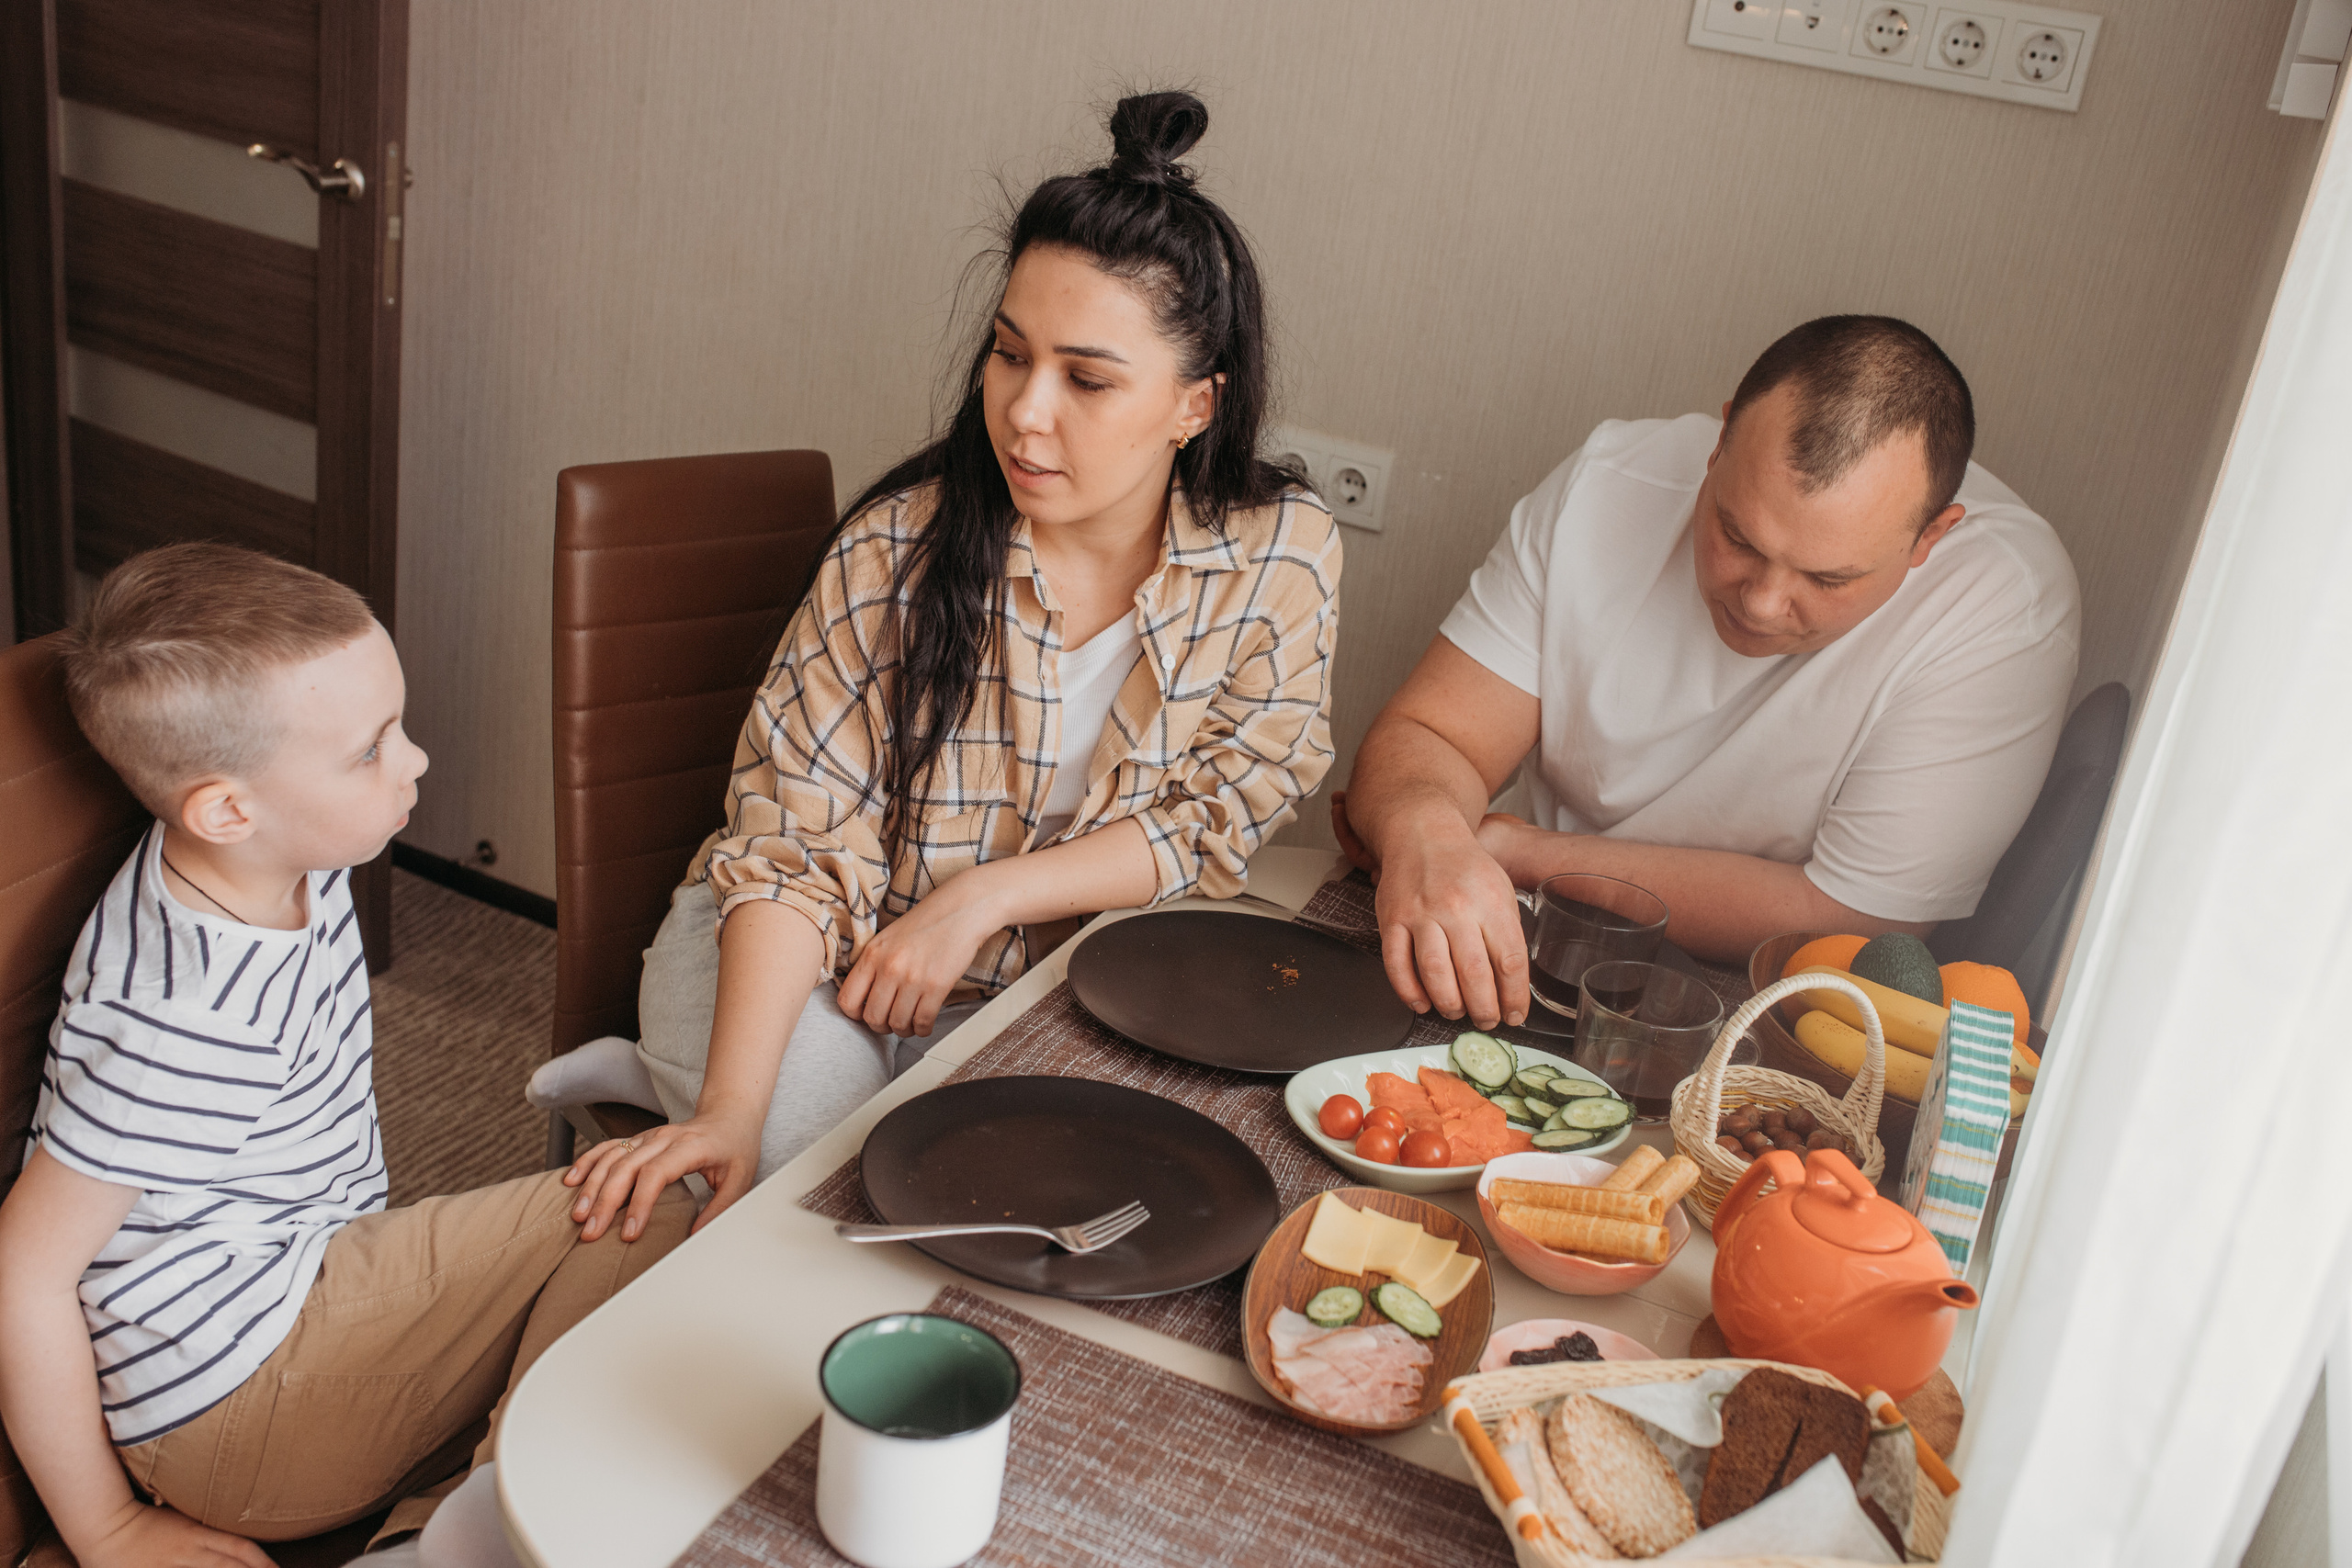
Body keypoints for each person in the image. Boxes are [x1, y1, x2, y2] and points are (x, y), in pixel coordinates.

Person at [548, 90, 1340, 1241]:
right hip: (814, 954)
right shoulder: (896, 553)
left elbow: (1221, 808)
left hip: (1044, 980)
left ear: (1193, 405)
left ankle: (666, 1076)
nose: (1025, 413)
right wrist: (732, 1105)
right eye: (1009, 356)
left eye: (1088, 378)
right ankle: (679, 1072)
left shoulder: (1280, 553)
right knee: (794, 1176)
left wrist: (984, 899)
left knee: (1095, 1210)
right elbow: (795, 847)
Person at [0, 544, 690, 1568]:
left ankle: (424, 1535)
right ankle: (484, 1539)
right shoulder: (189, 1015)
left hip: (297, 1287)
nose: (414, 761)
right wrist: (107, 1529)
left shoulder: (277, 854)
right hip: (231, 1404)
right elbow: (23, 1268)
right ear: (227, 809)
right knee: (657, 1199)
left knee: (604, 1317)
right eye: (371, 749)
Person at [1336, 315, 2079, 1030]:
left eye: (1826, 579)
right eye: (1736, 536)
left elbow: (1855, 915)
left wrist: (1521, 853)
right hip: (1527, 928)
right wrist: (1427, 832)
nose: (1760, 601)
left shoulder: (2006, 601)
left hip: (1763, 992)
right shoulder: (1609, 480)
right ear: (1721, 440)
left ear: (1930, 539)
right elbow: (1435, 733)